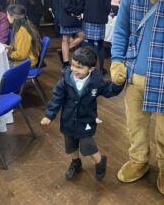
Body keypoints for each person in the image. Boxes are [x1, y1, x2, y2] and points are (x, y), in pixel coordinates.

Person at [40, 46, 125, 181]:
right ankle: (76, 162)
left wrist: (118, 84)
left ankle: (99, 161)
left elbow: (109, 90)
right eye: (73, 65)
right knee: (70, 144)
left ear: (90, 69)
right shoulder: (66, 79)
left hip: (86, 120)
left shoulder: (96, 81)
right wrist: (49, 115)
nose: (74, 70)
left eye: (79, 67)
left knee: (87, 145)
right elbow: (57, 96)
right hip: (68, 119)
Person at [79, 0, 111, 74]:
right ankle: (101, 69)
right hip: (100, 20)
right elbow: (108, 6)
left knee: (90, 46)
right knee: (101, 45)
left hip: (88, 19)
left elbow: (81, 5)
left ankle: (90, 69)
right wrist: (104, 14)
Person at [58, 0, 85, 68]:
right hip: (69, 19)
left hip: (63, 18)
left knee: (65, 39)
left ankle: (65, 62)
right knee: (81, 36)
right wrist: (77, 12)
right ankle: (65, 51)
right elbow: (68, 6)